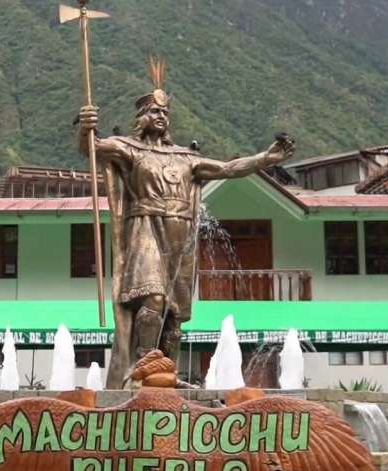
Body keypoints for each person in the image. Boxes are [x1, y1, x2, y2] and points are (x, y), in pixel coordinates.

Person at [77, 56, 294, 387]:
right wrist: (85, 126)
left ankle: (165, 373)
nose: (161, 117)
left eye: (165, 112)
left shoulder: (186, 157)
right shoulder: (130, 149)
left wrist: (266, 158)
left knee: (175, 314)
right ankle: (140, 370)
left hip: (181, 233)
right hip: (146, 226)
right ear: (140, 118)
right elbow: (92, 149)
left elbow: (227, 168)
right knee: (152, 298)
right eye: (154, 111)